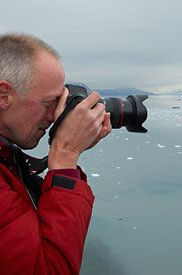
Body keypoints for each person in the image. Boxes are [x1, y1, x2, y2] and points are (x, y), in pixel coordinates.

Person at [0, 33, 112, 274]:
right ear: (3, 96)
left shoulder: (6, 157)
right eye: (48, 102)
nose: (53, 117)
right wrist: (65, 155)